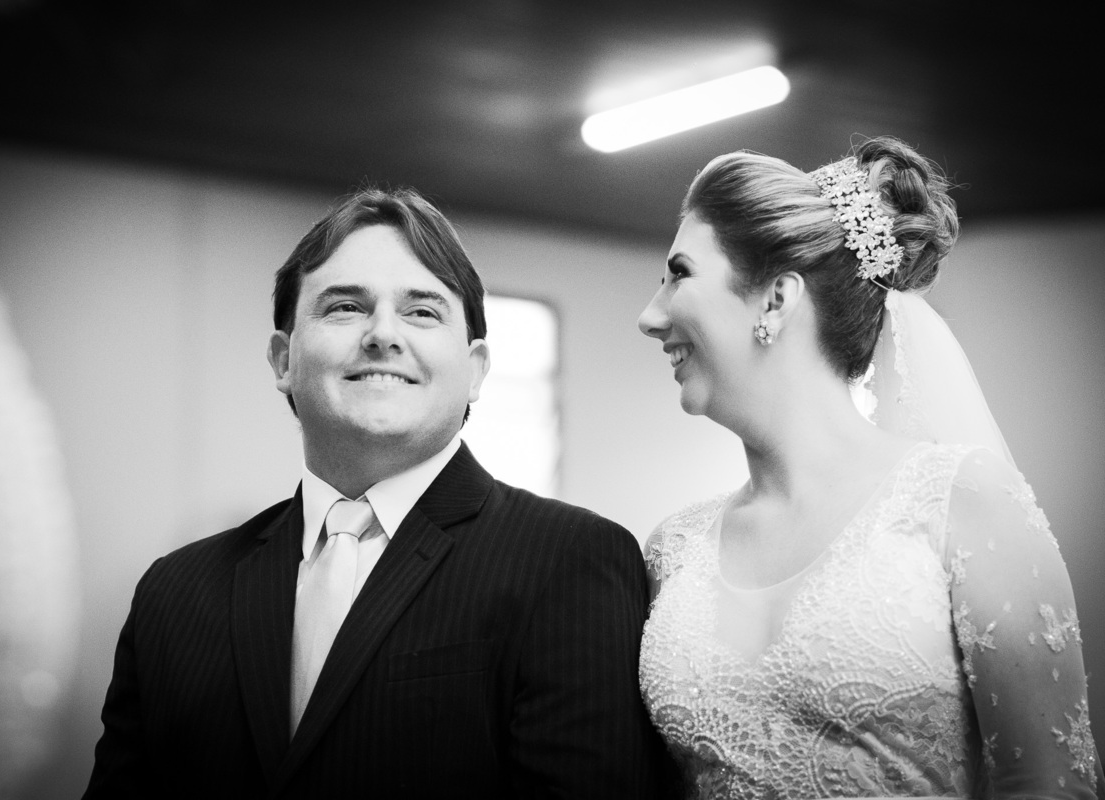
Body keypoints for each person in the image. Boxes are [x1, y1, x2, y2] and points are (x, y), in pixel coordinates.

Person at [83, 187, 669, 798]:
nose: (383, 335)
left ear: (475, 371)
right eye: (344, 307)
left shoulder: (571, 560)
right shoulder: (173, 593)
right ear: (283, 359)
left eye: (422, 311)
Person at [636, 137, 1100, 796]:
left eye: (678, 273)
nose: (649, 316)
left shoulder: (960, 503)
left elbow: (1047, 782)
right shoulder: (673, 549)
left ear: (775, 300)